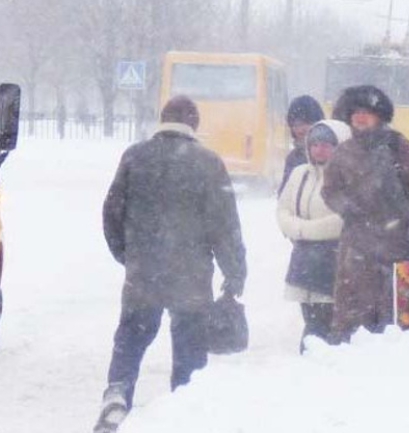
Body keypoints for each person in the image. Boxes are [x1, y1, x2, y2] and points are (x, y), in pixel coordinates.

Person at [93, 95, 248, 433]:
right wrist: (235, 272)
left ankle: (117, 396)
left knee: (131, 339)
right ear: (194, 125)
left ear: (162, 120)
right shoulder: (208, 163)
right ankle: (184, 410)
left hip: (143, 274)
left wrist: (128, 254)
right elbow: (225, 225)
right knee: (190, 347)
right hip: (191, 277)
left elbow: (111, 212)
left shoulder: (135, 156)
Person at [323, 85, 409, 341]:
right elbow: (329, 190)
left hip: (397, 245)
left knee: (396, 316)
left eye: (367, 112)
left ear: (380, 115)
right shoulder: (343, 152)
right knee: (352, 315)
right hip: (356, 246)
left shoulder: (400, 147)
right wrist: (346, 207)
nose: (360, 117)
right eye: (355, 112)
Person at [276, 119, 351, 350]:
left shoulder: (349, 177)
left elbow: (345, 219)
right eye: (315, 144)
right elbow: (283, 210)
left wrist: (303, 230)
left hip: (335, 261)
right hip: (304, 261)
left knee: (324, 326)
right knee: (311, 320)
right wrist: (297, 228)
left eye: (328, 144)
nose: (320, 149)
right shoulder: (300, 174)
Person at [279, 95, 325, 194]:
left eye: (306, 123)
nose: (300, 129)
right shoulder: (292, 158)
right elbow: (284, 195)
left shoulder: (330, 154)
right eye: (296, 125)